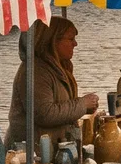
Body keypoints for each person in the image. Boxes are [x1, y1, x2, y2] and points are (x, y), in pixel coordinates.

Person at [6, 18, 98, 147]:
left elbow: (59, 104)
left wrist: (82, 108)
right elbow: (45, 114)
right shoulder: (35, 71)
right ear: (53, 41)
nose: (75, 44)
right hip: (31, 154)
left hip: (52, 149)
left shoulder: (57, 66)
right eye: (71, 39)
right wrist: (82, 105)